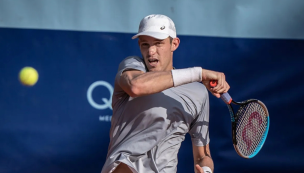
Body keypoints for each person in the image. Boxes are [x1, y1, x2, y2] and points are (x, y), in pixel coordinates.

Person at [101, 14, 229, 173]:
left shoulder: (198, 92)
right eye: (145, 45)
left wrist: (206, 170)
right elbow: (136, 86)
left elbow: (203, 155)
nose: (151, 51)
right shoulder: (133, 66)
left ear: (174, 44)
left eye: (158, 43)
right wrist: (199, 74)